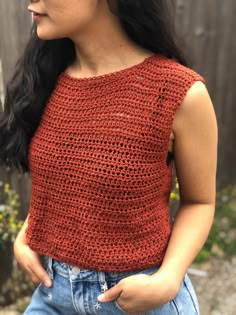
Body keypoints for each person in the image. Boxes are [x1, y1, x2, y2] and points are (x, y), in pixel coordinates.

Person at [0, 0, 217, 314]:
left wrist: (168, 279)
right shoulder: (44, 81)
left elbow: (199, 202)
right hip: (53, 294)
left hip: (139, 297)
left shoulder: (178, 92)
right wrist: (27, 233)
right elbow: (66, 182)